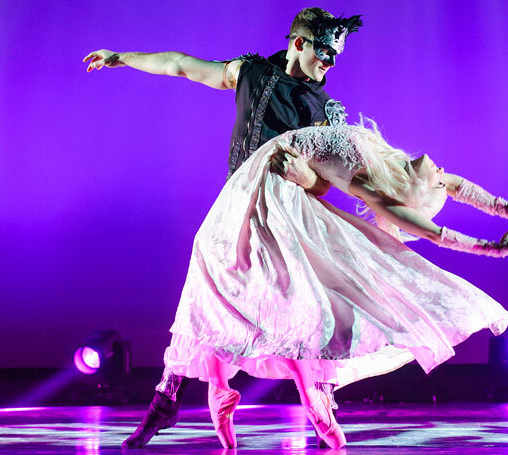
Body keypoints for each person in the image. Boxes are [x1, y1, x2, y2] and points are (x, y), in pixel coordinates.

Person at [161, 122, 508, 448]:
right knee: (224, 269)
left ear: (405, 197)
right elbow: (457, 186)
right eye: (437, 181)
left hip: (274, 186)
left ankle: (245, 387)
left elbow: (433, 233)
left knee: (251, 279)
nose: (439, 173)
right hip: (269, 167)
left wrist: (491, 249)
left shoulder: (371, 184)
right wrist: (506, 208)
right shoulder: (392, 160)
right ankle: (226, 385)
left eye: (432, 184)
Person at [82, 7, 363, 448]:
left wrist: (302, 175)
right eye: (326, 52)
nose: (331, 63)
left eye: (336, 55)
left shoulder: (324, 109)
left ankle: (320, 399)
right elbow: (181, 65)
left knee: (305, 311)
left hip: (286, 220)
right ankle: (167, 399)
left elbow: (327, 184)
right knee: (201, 299)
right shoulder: (250, 72)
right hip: (235, 211)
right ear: (299, 43)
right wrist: (122, 57)